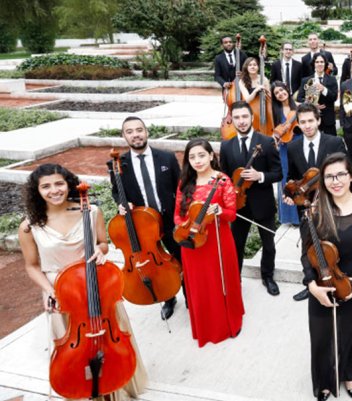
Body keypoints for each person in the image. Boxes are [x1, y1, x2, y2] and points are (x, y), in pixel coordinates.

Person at [19, 164, 149, 399]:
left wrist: (100, 250)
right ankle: (83, 388)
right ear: (36, 191)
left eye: (59, 183)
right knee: (73, 348)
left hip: (95, 285)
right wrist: (50, 291)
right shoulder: (30, 226)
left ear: (68, 184)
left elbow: (103, 243)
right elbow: (32, 266)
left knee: (109, 338)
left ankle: (116, 382)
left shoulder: (90, 212)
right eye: (46, 186)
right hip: (59, 291)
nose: (54, 190)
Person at [301, 153, 352, 401]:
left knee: (349, 336)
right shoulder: (316, 210)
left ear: (351, 176)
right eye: (328, 176)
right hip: (322, 285)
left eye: (340, 174)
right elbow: (306, 254)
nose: (334, 181)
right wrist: (311, 285)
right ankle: (325, 381)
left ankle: (349, 374)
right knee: (321, 337)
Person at [109, 116, 183, 320]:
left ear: (146, 132)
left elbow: (181, 187)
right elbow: (116, 191)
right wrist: (121, 203)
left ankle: (190, 295)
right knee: (153, 265)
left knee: (181, 258)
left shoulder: (166, 158)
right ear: (124, 136)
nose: (136, 134)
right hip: (142, 226)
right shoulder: (117, 163)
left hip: (169, 221)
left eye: (139, 130)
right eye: (130, 131)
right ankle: (168, 298)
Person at [175, 139, 244, 346]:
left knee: (221, 280)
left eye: (202, 155)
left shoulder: (223, 181)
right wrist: (186, 226)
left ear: (211, 156)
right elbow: (177, 215)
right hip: (192, 241)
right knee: (200, 284)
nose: (198, 161)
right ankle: (205, 325)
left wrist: (220, 211)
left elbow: (232, 215)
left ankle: (228, 323)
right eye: (192, 157)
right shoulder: (185, 182)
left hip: (218, 240)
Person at [286, 103, 348, 302]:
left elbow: (345, 174)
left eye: (310, 121)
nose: (307, 125)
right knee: (307, 248)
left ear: (319, 120)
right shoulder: (293, 146)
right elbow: (292, 178)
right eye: (302, 122)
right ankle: (311, 284)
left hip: (331, 205)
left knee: (334, 247)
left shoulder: (335, 142)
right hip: (305, 207)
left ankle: (338, 283)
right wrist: (289, 193)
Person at [219, 101, 282, 294]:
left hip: (263, 203)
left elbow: (278, 173)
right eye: (237, 117)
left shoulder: (266, 142)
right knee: (236, 246)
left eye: (244, 117)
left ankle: (268, 276)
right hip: (239, 206)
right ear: (232, 120)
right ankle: (235, 280)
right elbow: (225, 177)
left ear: (251, 118)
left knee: (269, 245)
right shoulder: (226, 146)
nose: (241, 121)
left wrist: (260, 176)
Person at [272, 81, 302, 226]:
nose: (280, 94)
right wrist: (276, 137)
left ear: (287, 90)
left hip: (298, 144)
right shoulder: (274, 110)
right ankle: (289, 217)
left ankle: (302, 214)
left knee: (300, 177)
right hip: (283, 148)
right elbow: (272, 129)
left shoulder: (298, 106)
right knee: (285, 179)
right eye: (277, 93)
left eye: (282, 90)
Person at [297, 53, 339, 136]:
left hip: (328, 120)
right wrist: (312, 104)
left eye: (322, 62)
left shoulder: (332, 79)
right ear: (313, 64)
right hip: (311, 118)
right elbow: (299, 98)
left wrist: (324, 89)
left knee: (330, 145)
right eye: (317, 62)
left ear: (325, 64)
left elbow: (334, 97)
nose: (319, 64)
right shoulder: (306, 80)